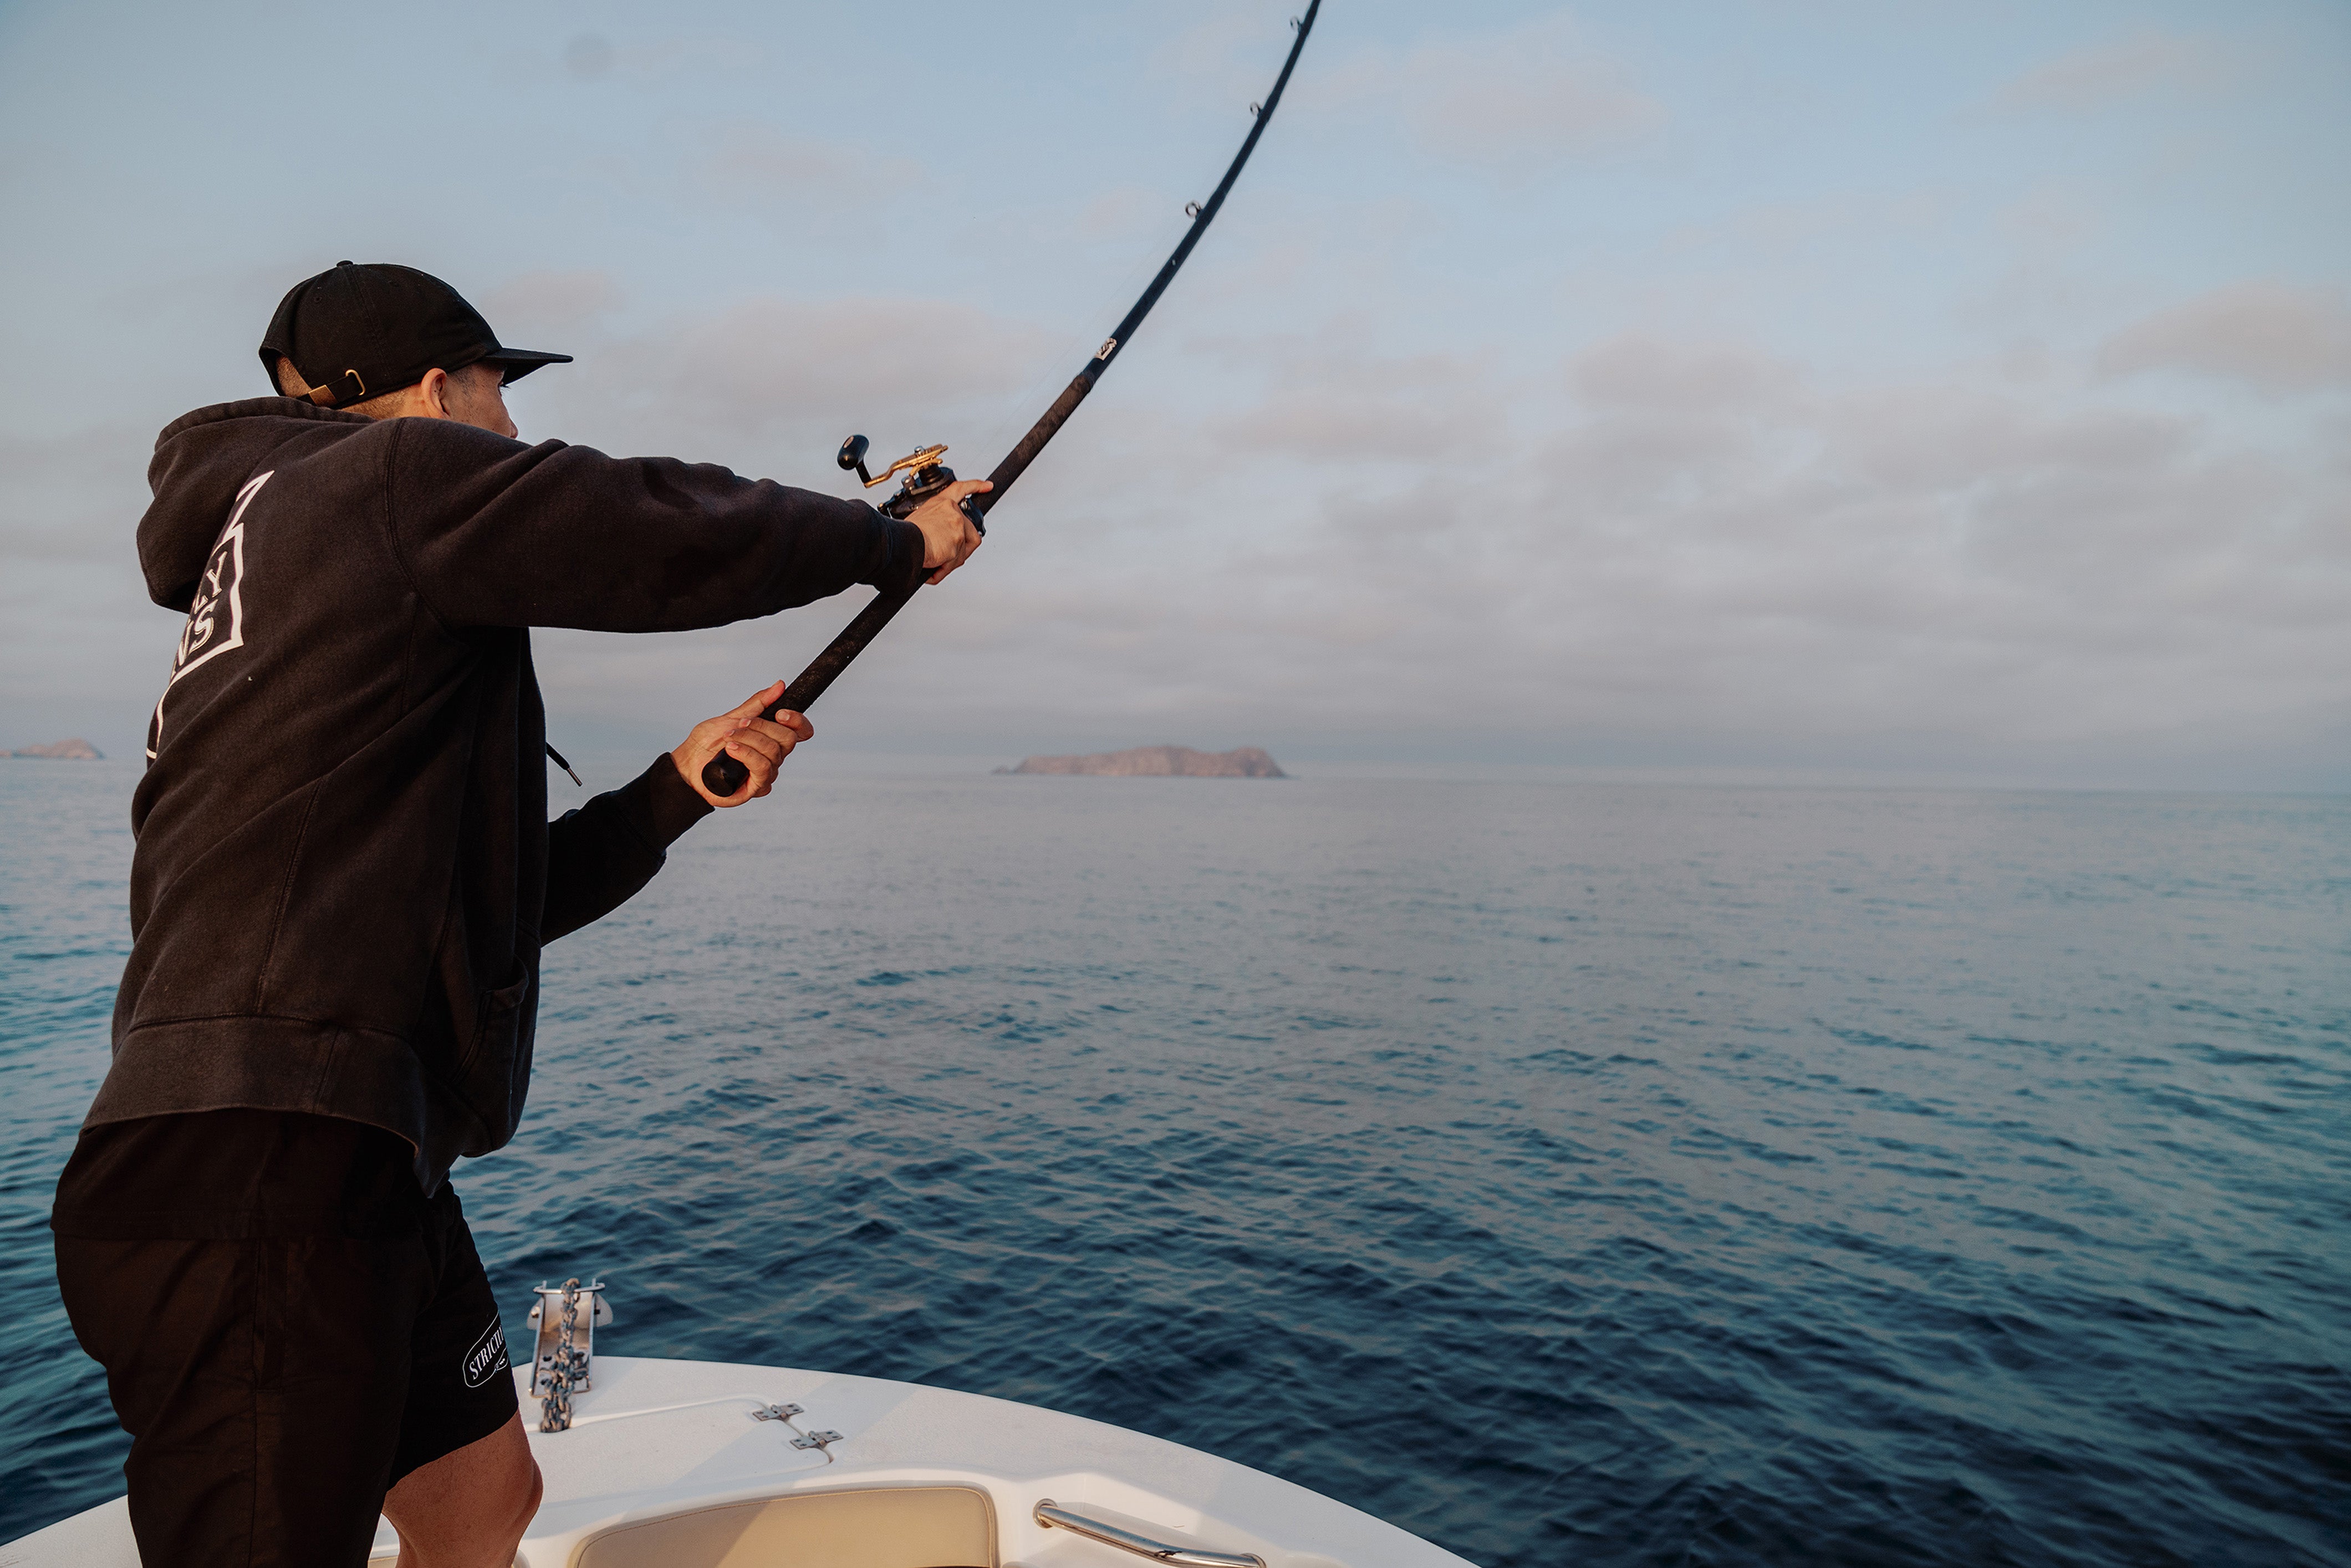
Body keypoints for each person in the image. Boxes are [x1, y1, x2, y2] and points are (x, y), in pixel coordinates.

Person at [48, 261, 989, 1567]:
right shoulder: (387, 477)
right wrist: (893, 540)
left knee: (481, 1505)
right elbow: (639, 522)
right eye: (499, 390)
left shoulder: (282, 564)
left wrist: (672, 793)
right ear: (439, 390)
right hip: (258, 1169)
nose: (511, 431)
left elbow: (468, 910)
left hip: (352, 1149)